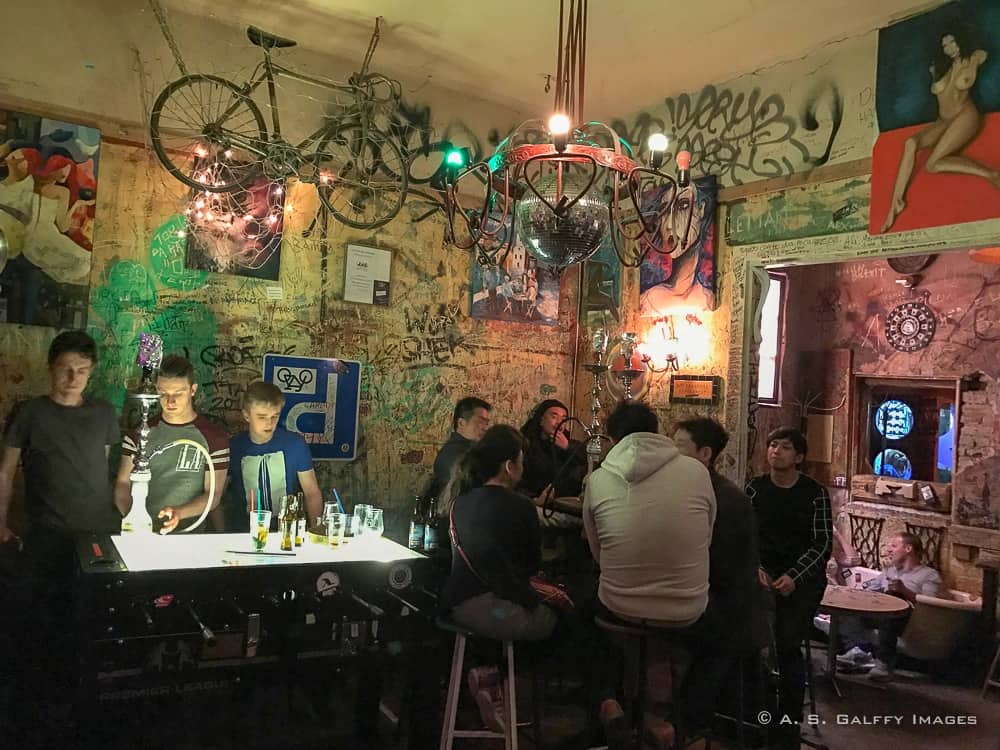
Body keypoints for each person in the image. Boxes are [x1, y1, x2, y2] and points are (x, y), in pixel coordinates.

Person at [584, 401, 715, 748]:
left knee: (581, 614)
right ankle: (672, 720)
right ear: (656, 431)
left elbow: (597, 553)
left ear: (612, 439)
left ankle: (609, 706)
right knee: (696, 632)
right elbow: (706, 535)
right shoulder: (697, 472)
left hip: (619, 608)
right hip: (688, 610)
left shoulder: (597, 479)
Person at [440, 424, 558, 731]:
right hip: (496, 612)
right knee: (564, 624)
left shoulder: (460, 500)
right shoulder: (520, 506)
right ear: (509, 466)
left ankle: (490, 672)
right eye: (521, 460)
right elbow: (531, 565)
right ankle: (508, 693)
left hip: (457, 607)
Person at [672, 417, 769, 726]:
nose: (672, 454)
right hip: (688, 593)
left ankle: (682, 725)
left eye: (680, 447)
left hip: (725, 603)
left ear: (705, 454)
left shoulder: (727, 499)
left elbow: (727, 570)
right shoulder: (674, 490)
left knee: (712, 643)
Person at [746, 427, 831, 749]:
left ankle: (789, 721)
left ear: (798, 457)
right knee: (754, 641)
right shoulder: (754, 489)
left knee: (787, 642)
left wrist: (795, 576)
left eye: (784, 447)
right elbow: (744, 535)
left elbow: (821, 543)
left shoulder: (814, 493)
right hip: (761, 576)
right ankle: (760, 713)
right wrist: (756, 567)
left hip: (802, 581)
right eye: (771, 445)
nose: (775, 451)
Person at [0, 330, 120, 546]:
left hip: (98, 532)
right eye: (66, 369)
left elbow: (101, 468)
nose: (73, 378)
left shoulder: (104, 413)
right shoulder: (28, 412)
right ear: (51, 367)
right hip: (46, 534)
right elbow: (5, 473)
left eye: (82, 370)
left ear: (91, 371)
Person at [881, 29, 996, 233]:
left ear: (961, 41)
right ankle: (895, 203)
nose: (949, 48)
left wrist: (973, 58)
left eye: (952, 42)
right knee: (910, 143)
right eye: (945, 45)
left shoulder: (975, 58)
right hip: (943, 120)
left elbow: (984, 54)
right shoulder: (939, 67)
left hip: (965, 116)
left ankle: (991, 174)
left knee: (933, 164)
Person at [114, 354, 229, 533]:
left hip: (190, 535)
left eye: (178, 393)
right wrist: (134, 518)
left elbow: (213, 495)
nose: (170, 401)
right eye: (163, 393)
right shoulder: (139, 433)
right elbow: (122, 483)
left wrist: (179, 513)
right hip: (142, 534)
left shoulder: (214, 438)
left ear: (193, 390)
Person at [838, 532, 942, 682]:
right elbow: (869, 590)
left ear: (908, 549)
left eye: (894, 545)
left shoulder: (928, 575)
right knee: (850, 608)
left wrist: (904, 591)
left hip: (912, 621)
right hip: (884, 615)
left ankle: (884, 664)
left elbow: (930, 605)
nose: (888, 550)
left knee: (895, 603)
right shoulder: (890, 571)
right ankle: (858, 652)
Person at [226, 381, 323, 528]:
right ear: (246, 415)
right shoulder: (233, 447)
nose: (269, 423)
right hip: (244, 532)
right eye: (262, 417)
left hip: (286, 530)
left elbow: (311, 492)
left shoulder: (295, 444)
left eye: (275, 416)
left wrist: (317, 529)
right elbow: (216, 496)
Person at [423, 396, 491, 503]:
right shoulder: (455, 454)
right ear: (461, 423)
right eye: (480, 422)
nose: (485, 428)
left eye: (487, 423)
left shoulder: (468, 449)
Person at [520, 399, 587, 499]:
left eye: (564, 418)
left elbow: (585, 463)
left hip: (564, 504)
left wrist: (567, 447)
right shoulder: (526, 444)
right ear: (541, 420)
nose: (559, 422)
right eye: (554, 417)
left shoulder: (573, 445)